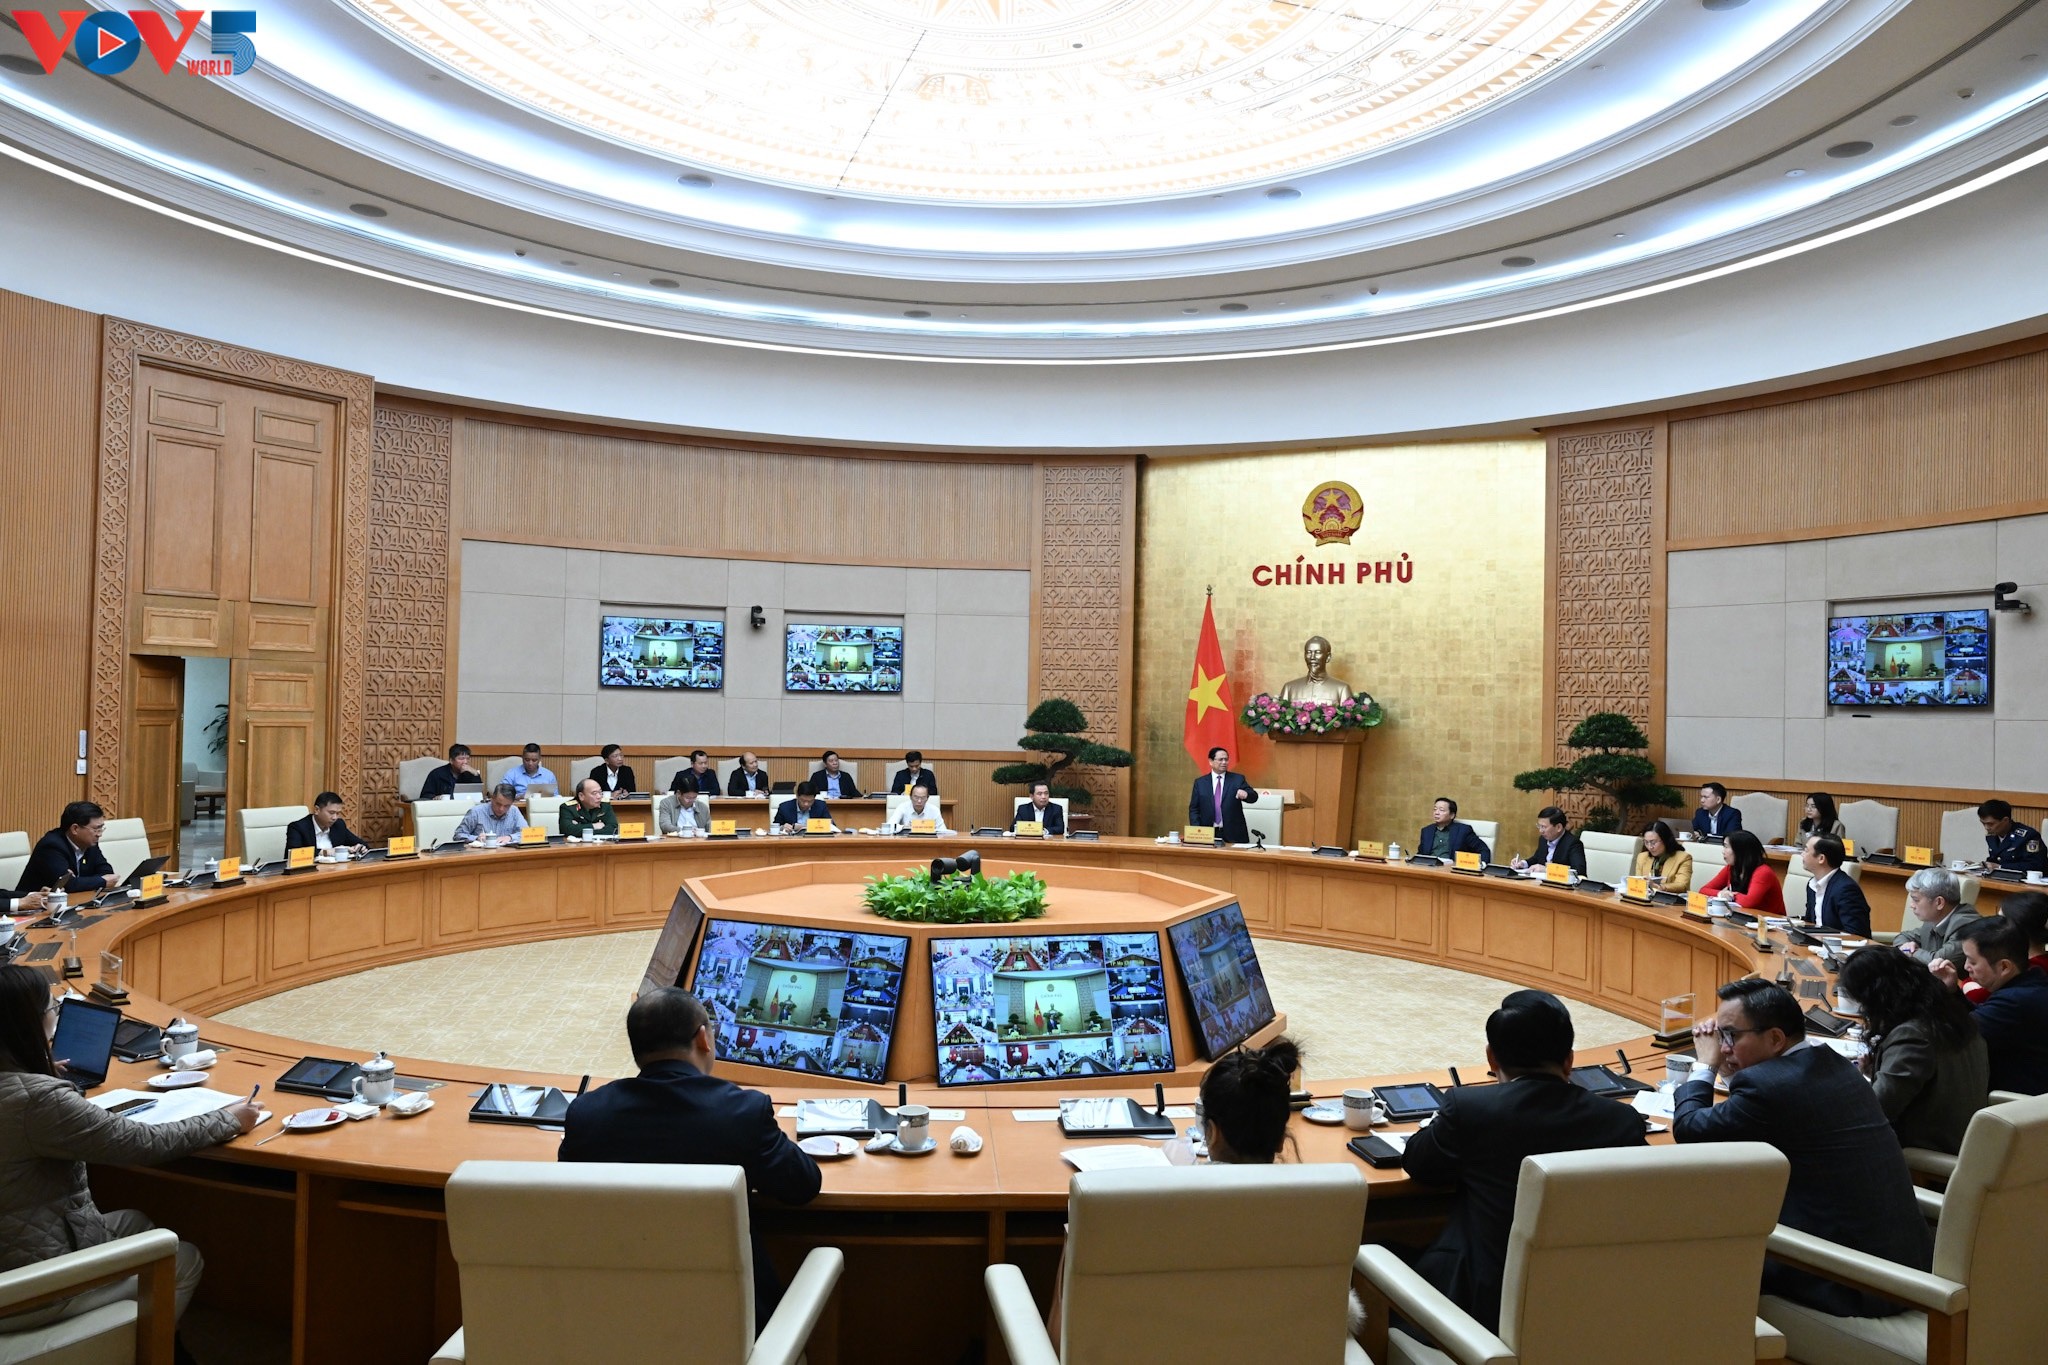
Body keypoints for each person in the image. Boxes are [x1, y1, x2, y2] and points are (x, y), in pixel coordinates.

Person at [0, 964, 262, 1345]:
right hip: (28, 1290)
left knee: (135, 1222)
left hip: (16, 1251)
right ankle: (146, 1353)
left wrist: (38, 1073)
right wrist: (228, 1120)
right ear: (29, 1023)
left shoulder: (25, 1088)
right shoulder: (39, 1101)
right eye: (52, 1007)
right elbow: (143, 1143)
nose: (55, 1013)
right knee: (183, 1259)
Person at [558, 987, 820, 1330]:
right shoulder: (742, 1111)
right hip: (731, 1326)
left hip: (617, 1321)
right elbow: (803, 1186)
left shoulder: (587, 1115)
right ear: (702, 1039)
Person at [1674, 979, 1929, 1318]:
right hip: (1902, 1263)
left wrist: (1704, 1066)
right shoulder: (1831, 1063)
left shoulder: (1770, 1088)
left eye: (1731, 1036)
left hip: (1849, 1281)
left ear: (1775, 1039)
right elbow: (1766, 1109)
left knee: (1686, 1234)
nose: (1722, 1047)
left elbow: (1690, 1130)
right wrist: (1728, 1064)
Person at [1402, 990, 1646, 1332]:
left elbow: (1419, 1164)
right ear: (1569, 1059)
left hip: (1480, 1316)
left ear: (1492, 1059)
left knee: (1375, 1249)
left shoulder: (1470, 1108)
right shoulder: (1620, 1121)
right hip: (1591, 1312)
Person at [1837, 946, 1987, 1155]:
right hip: (1959, 1140)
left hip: (1924, 1155)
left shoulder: (1912, 1035)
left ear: (1877, 997)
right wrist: (1877, 1071)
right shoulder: (1951, 1014)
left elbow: (1875, 1112)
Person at [1930, 916, 2048, 1094]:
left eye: (1972, 961)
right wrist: (1952, 990)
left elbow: (1953, 1035)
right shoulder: (2031, 983)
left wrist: (1931, 992)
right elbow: (1977, 1018)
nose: (1966, 967)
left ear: (2004, 967)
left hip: (2012, 1101)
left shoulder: (2014, 1002)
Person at [1952, 891, 2048, 1003]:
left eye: (2001, 921)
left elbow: (1977, 995)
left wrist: (1967, 986)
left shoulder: (2035, 968)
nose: (1995, 923)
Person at [16, 802, 117, 896]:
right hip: (35, 905)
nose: (99, 834)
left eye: (101, 828)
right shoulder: (51, 846)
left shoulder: (89, 843)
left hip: (76, 900)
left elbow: (107, 872)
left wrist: (78, 882)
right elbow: (68, 885)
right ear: (75, 829)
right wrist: (101, 881)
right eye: (96, 829)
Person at [1893, 867, 1979, 972]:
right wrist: (1906, 946)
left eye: (1916, 900)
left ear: (1939, 902)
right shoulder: (1935, 918)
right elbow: (1903, 936)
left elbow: (1939, 963)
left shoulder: (1967, 925)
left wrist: (1911, 952)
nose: (1912, 905)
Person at [1798, 835, 1871, 937]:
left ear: (1821, 858)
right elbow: (1810, 923)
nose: (1802, 854)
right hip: (1815, 943)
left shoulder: (1846, 889)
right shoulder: (1812, 885)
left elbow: (1856, 935)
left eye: (1806, 850)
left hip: (1839, 946)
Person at [1698, 830, 1784, 916]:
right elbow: (1703, 890)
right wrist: (1721, 894)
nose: (1723, 851)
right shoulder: (1731, 868)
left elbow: (1749, 902)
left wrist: (1731, 896)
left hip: (1768, 921)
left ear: (1741, 851)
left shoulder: (1763, 872)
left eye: (1726, 847)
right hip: (1742, 917)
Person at [1187, 747, 1258, 844]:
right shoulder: (1200, 783)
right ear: (1211, 761)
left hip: (1234, 834)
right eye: (1220, 759)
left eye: (1226, 759)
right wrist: (1197, 830)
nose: (1224, 762)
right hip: (1207, 834)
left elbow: (1254, 797)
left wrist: (1246, 795)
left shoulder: (1237, 779)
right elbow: (1194, 809)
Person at [284, 792, 368, 855]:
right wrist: (327, 852)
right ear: (317, 810)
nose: (335, 817)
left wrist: (360, 847)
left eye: (338, 813)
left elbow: (362, 844)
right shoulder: (298, 827)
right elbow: (294, 853)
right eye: (331, 813)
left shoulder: (338, 825)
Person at [1977, 798, 2047, 873]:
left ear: (2005, 820)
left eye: (1990, 824)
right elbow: (1995, 858)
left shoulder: (2028, 836)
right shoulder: (1992, 836)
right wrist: (1981, 865)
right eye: (1983, 823)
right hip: (2001, 877)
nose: (1986, 827)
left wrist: (2000, 867)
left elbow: (2035, 865)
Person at [1511, 807, 1585, 876]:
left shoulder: (1573, 844)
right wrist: (1523, 863)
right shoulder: (1543, 839)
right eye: (1539, 826)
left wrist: (1547, 870)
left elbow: (1579, 871)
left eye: (1543, 827)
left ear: (1558, 827)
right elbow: (1537, 858)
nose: (1540, 831)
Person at [1416, 797, 1489, 864]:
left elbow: (1483, 849)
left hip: (1451, 869)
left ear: (1452, 815)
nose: (1436, 813)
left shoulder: (1463, 831)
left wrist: (1481, 864)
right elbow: (1421, 854)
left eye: (1441, 810)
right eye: (1435, 809)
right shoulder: (1426, 831)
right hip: (1429, 868)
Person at [452, 784, 527, 845]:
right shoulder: (476, 812)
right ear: (492, 798)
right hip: (480, 855)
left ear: (512, 803)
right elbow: (458, 835)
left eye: (506, 806)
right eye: (498, 804)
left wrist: (510, 837)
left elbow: (527, 833)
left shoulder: (514, 811)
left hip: (506, 854)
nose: (501, 809)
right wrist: (476, 838)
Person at [1631, 821, 1692, 892]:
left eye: (1653, 842)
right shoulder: (1642, 857)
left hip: (1670, 897)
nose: (1650, 847)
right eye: (1646, 842)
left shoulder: (1683, 858)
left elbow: (1682, 885)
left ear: (1665, 840)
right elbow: (1639, 881)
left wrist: (1659, 887)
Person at [419, 743, 484, 800]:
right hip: (442, 807)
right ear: (451, 760)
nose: (465, 762)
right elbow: (425, 796)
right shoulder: (437, 774)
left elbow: (477, 795)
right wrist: (435, 797)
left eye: (467, 758)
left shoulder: (470, 774)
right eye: (461, 759)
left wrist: (476, 774)